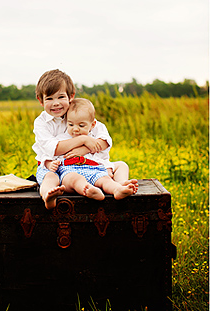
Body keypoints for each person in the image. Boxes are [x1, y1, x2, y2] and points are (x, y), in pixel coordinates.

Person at [32, 70, 136, 209]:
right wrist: (83, 139)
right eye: (49, 99)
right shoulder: (41, 122)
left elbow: (104, 140)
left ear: (71, 97)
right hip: (52, 166)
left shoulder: (77, 113)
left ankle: (121, 184)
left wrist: (83, 148)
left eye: (61, 97)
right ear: (40, 100)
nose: (56, 103)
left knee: (120, 165)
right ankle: (48, 196)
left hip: (84, 163)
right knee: (52, 178)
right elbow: (54, 148)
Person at [40, 99, 139, 205]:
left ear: (92, 125)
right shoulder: (62, 139)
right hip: (70, 170)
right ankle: (88, 190)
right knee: (76, 179)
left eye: (81, 126)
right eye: (71, 125)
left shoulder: (93, 138)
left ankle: (117, 189)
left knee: (104, 179)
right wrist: (50, 163)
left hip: (93, 169)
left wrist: (105, 167)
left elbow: (102, 149)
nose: (76, 129)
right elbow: (49, 153)